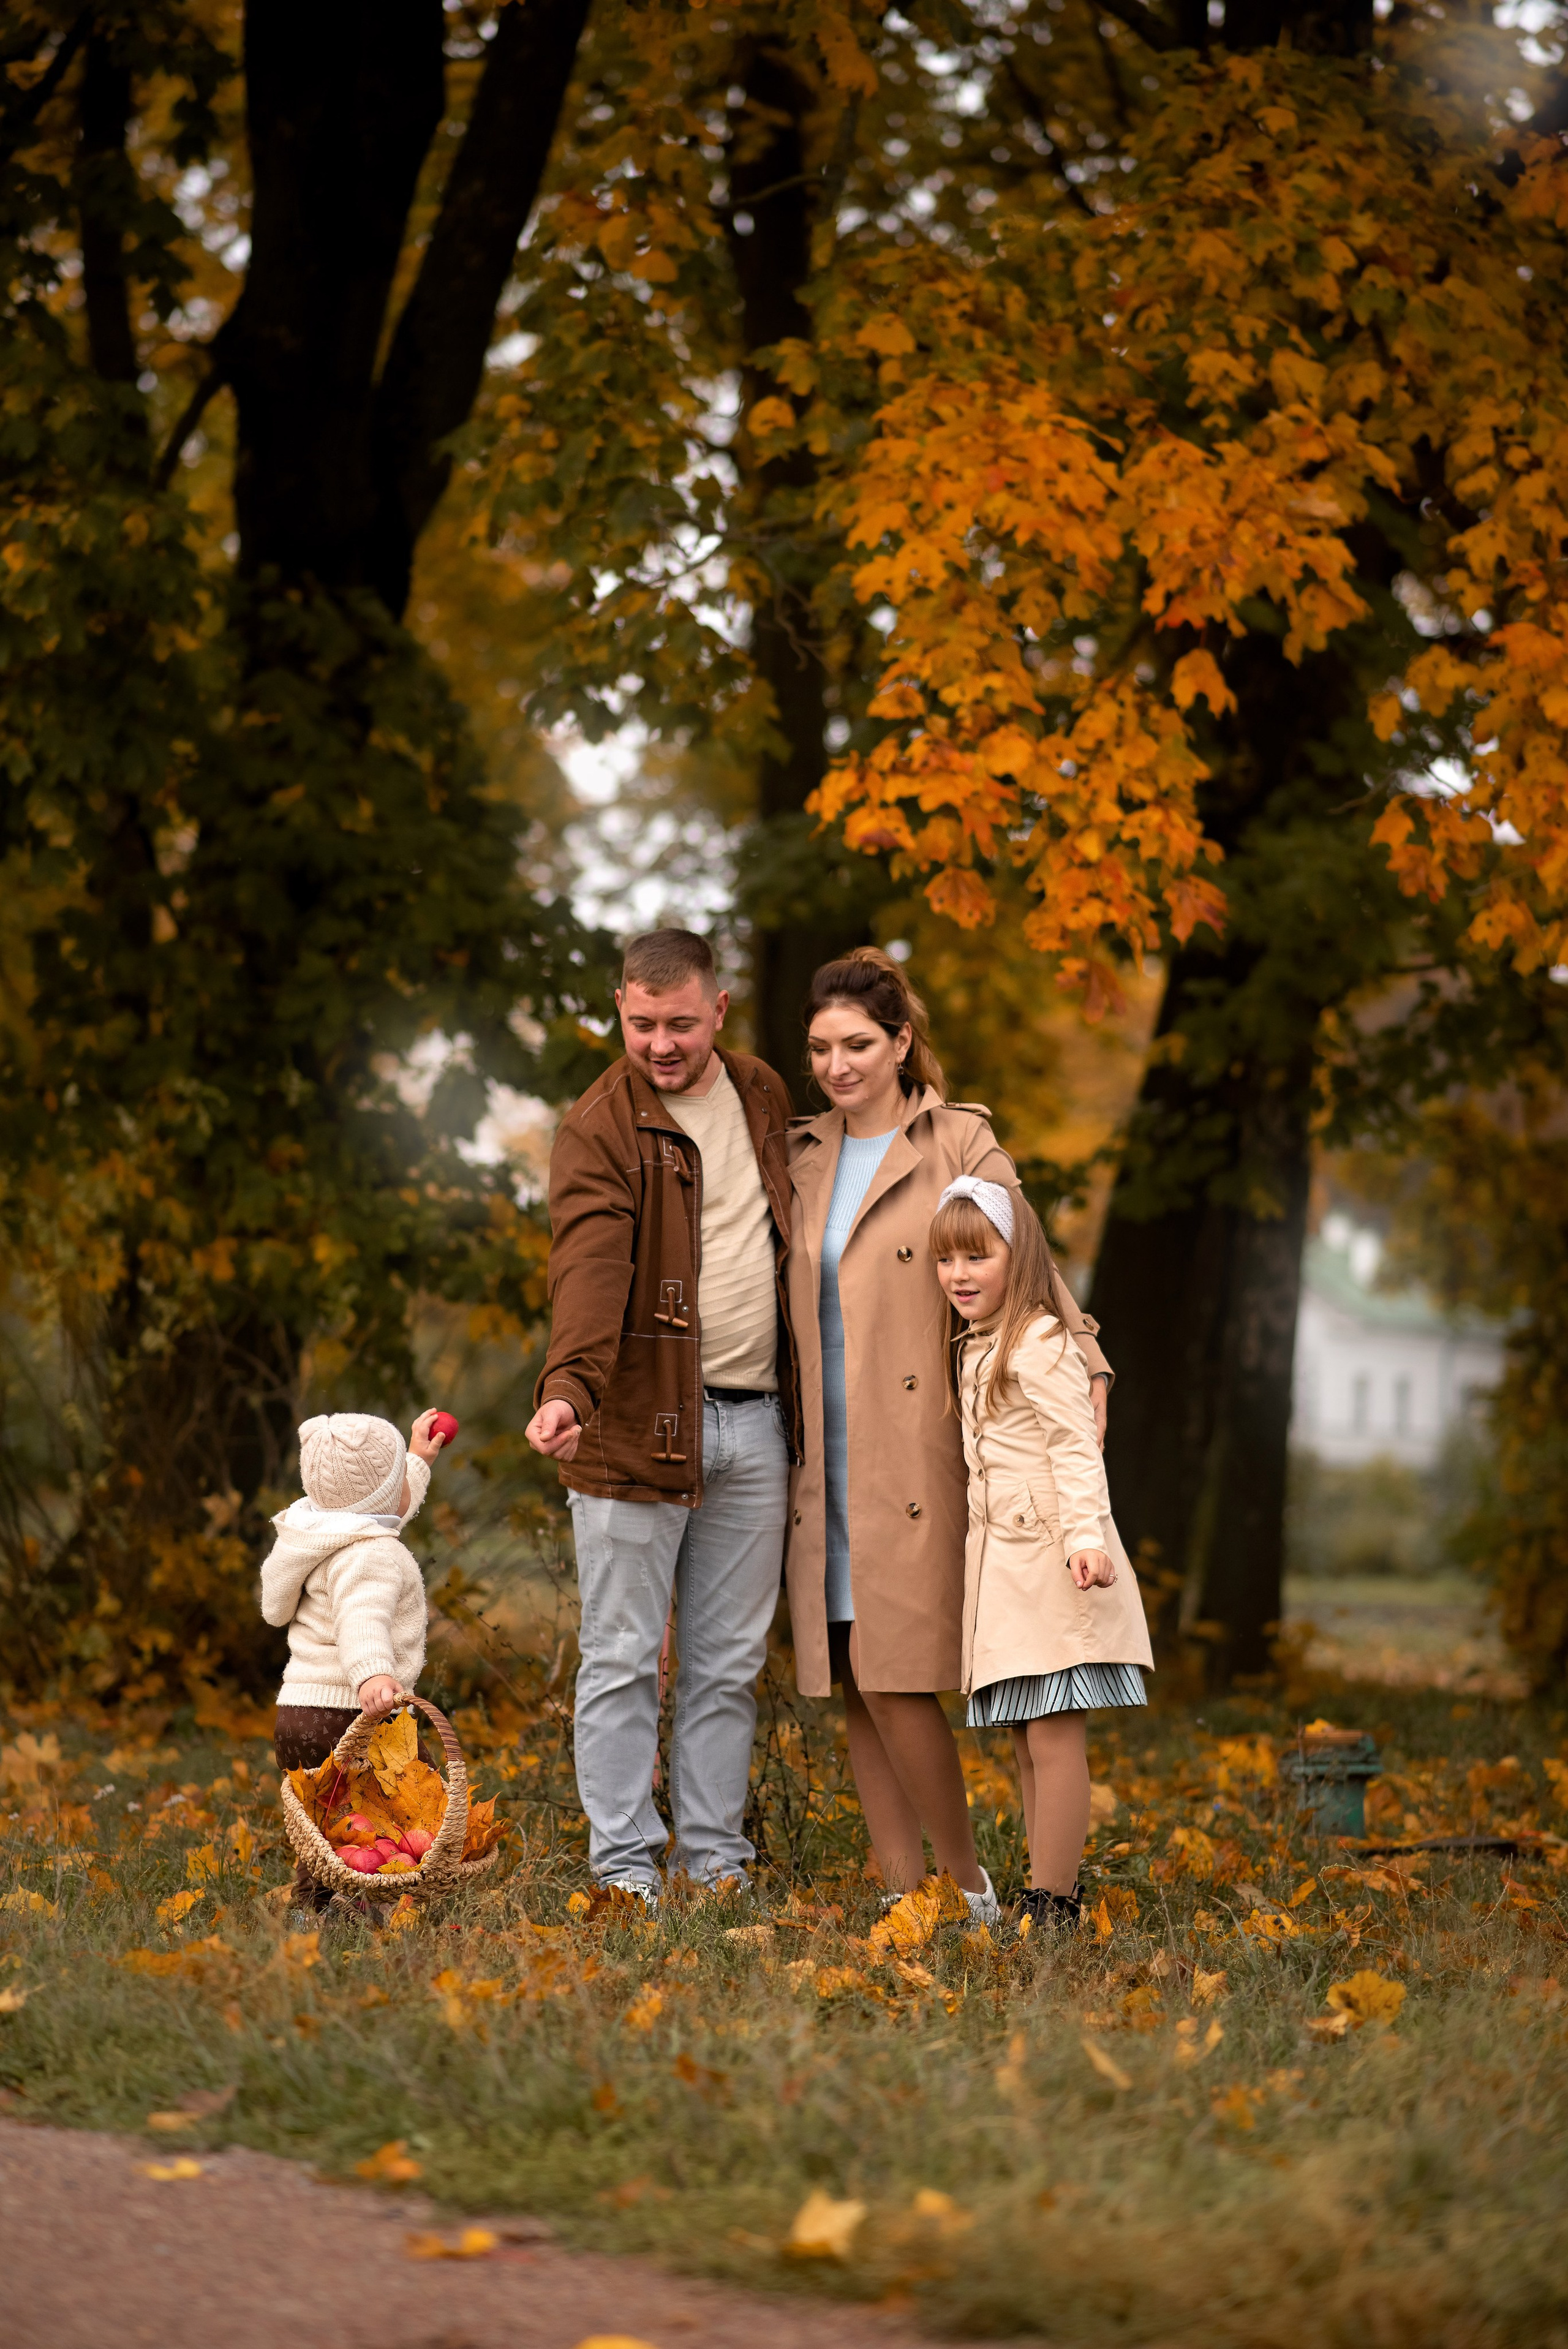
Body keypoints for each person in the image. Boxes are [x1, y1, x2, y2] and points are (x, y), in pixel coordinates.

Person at [784, 946, 1113, 1917]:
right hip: (822, 1450)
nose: (838, 1065)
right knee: (856, 1672)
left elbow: (1026, 1247)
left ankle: (968, 1884)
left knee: (897, 1670)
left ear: (901, 1042)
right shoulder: (801, 1154)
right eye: (820, 1048)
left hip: (920, 1436)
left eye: (857, 1044)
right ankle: (907, 1891)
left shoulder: (958, 1141)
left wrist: (1085, 1351)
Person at [526, 928, 798, 1909]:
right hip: (632, 1421)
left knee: (726, 1664)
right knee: (623, 1657)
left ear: (719, 1010)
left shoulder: (763, 1093)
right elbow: (590, 1268)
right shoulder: (599, 1125)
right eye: (641, 1023)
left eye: (681, 1023)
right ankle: (625, 1866)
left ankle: (714, 1860)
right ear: (621, 1009)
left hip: (756, 1425)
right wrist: (571, 1389)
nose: (660, 1044)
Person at [932, 1174, 1153, 1931]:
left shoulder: (1037, 1339)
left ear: (1016, 1254)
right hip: (1007, 1572)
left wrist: (1086, 1538)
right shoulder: (979, 1343)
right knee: (1028, 1736)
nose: (959, 1275)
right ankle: (1042, 1887)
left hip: (1058, 1562)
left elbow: (1075, 1445)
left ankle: (1055, 1903)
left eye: (976, 1256)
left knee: (1055, 1734)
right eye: (945, 1261)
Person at [262, 1408, 450, 1921]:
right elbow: (361, 1615)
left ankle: (315, 1908)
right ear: (381, 1499)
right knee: (416, 1797)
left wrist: (415, 1460)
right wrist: (372, 1672)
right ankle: (378, 1896)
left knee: (322, 1816)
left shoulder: (315, 1531)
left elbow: (383, 1509)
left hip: (299, 1710)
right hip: (354, 1708)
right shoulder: (373, 1556)